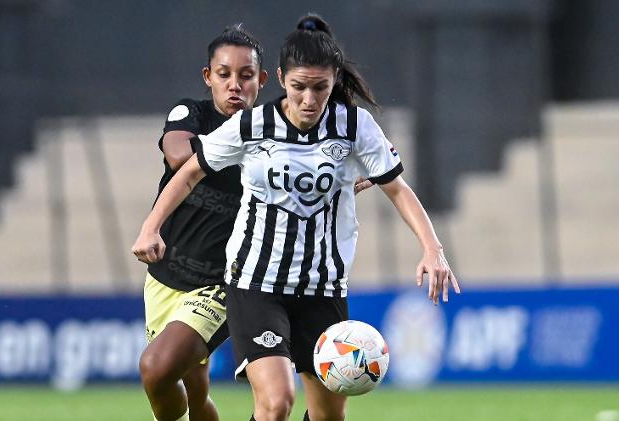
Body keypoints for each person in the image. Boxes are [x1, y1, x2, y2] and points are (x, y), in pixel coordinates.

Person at [133, 14, 461, 421]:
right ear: (283, 80)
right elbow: (189, 169)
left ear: (334, 81)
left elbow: (397, 187)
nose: (309, 99)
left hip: (320, 287)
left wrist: (432, 248)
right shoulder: (252, 126)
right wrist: (150, 226)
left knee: (327, 416)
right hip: (256, 281)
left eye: (320, 88)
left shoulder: (355, 127)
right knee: (275, 405)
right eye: (299, 87)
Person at [137, 25, 267, 421]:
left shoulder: (272, 134)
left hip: (221, 282)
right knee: (195, 395)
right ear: (208, 77)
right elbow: (178, 156)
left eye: (246, 76)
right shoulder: (190, 112)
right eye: (224, 74)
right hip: (164, 275)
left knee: (155, 369)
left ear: (261, 80)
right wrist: (238, 148)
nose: (235, 86)